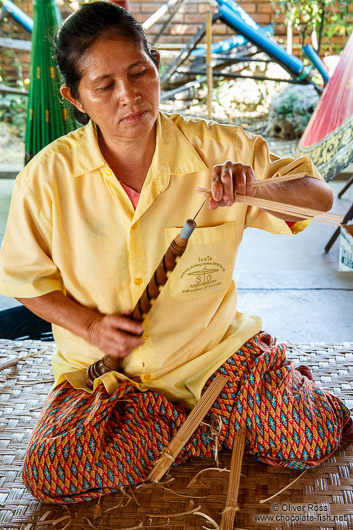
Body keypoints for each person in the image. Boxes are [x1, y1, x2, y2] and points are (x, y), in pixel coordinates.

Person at [0, 1, 351, 504]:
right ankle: (195, 427)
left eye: (139, 72)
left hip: (217, 361)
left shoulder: (216, 148)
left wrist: (257, 189)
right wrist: (91, 326)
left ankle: (201, 421)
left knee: (310, 434)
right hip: (111, 381)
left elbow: (318, 198)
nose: (129, 96)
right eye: (104, 86)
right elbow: (25, 283)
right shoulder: (48, 178)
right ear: (73, 98)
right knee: (52, 473)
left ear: (156, 63)